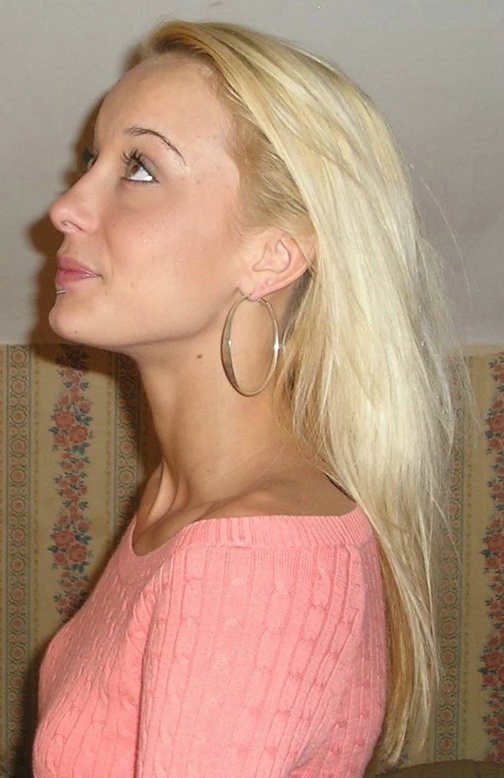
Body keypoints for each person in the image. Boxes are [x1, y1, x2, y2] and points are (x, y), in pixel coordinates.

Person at [33, 20, 456, 778]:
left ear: (271, 256)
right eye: (93, 161)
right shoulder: (177, 501)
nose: (67, 205)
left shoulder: (250, 559)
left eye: (139, 169)